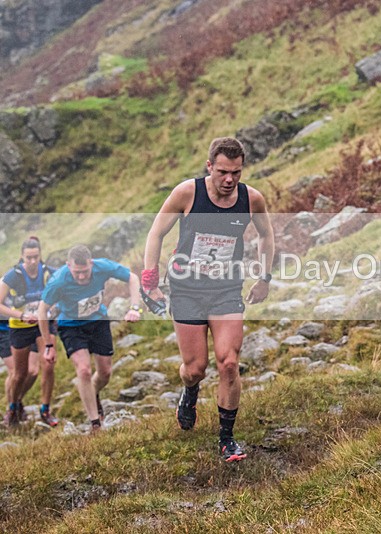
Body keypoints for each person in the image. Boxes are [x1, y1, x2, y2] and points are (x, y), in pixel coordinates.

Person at [142, 137, 274, 462]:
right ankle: (189, 392)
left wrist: (264, 278)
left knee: (228, 362)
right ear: (210, 166)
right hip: (186, 291)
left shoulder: (251, 199)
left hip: (226, 291)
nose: (230, 180)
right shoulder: (187, 193)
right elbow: (156, 234)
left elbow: (267, 235)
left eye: (237, 173)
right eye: (223, 172)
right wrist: (150, 280)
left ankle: (226, 439)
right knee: (195, 368)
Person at [38, 245, 143, 432]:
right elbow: (42, 310)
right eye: (76, 272)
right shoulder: (58, 281)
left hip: (98, 321)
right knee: (84, 370)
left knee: (105, 373)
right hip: (71, 326)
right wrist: (48, 344)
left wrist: (134, 308)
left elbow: (132, 278)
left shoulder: (102, 266)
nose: (81, 277)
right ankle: (95, 423)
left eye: (85, 271)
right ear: (68, 266)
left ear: (91, 264)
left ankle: (92, 393)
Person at [0, 237, 59, 427]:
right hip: (19, 326)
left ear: (40, 255)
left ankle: (45, 409)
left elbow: (64, 288)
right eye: (28, 258)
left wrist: (58, 306)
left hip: (43, 324)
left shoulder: (49, 272)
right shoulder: (13, 276)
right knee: (20, 374)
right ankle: (13, 406)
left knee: (47, 365)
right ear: (22, 257)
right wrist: (21, 314)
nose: (32, 261)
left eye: (35, 257)